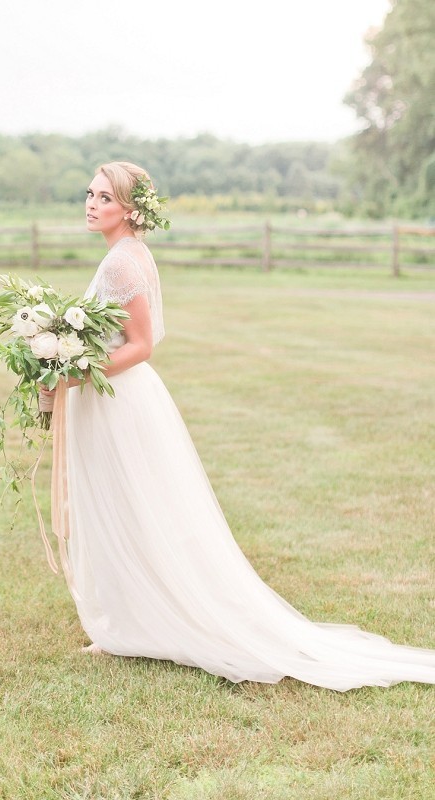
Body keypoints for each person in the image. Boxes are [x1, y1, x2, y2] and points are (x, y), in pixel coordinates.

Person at [39, 161, 435, 691]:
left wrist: (75, 371)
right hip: (115, 398)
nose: (92, 204)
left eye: (105, 197)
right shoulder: (127, 254)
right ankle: (124, 620)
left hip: (118, 401)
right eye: (89, 193)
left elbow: (142, 344)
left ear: (130, 209)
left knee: (128, 504)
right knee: (124, 505)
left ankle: (132, 624)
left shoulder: (122, 263)